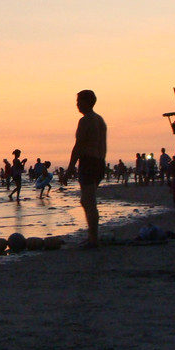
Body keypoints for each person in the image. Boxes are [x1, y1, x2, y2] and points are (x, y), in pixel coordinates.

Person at [67, 89, 108, 249]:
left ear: (86, 102)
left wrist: (70, 167)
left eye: (79, 101)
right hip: (99, 163)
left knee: (89, 202)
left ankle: (93, 239)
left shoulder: (86, 120)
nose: (77, 104)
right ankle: (92, 236)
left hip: (89, 162)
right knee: (87, 200)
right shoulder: (100, 120)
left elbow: (78, 146)